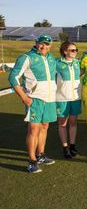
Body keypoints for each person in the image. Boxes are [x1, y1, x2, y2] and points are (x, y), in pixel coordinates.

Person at [9, 35, 57, 173]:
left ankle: (40, 155)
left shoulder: (51, 57)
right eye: (41, 44)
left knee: (44, 127)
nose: (44, 47)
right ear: (36, 43)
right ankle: (31, 161)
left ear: (50, 45)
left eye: (47, 44)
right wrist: (25, 98)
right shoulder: (27, 57)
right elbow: (13, 77)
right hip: (35, 99)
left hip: (50, 99)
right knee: (33, 130)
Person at [55, 41, 81, 159]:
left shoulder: (78, 63)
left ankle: (72, 145)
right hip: (62, 98)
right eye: (72, 50)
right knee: (62, 123)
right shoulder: (57, 63)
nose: (75, 52)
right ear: (65, 51)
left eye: (76, 50)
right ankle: (65, 147)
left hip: (75, 98)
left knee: (73, 122)